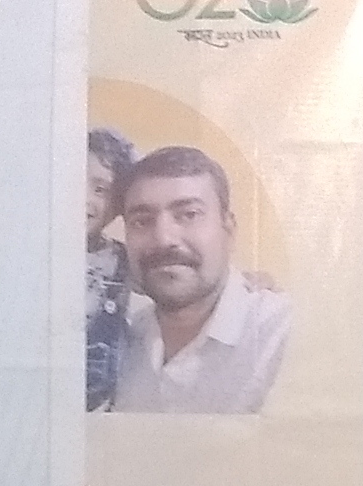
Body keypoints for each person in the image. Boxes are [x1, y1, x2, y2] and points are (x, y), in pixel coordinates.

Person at [114, 144, 293, 414]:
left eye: (189, 215)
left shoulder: (283, 335)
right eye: (142, 221)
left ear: (228, 230)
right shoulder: (117, 341)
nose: (163, 239)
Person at [82, 126, 135, 412]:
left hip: (94, 410)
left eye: (100, 190)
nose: (83, 197)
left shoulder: (122, 260)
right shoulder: (24, 249)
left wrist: (244, 281)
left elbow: (172, 278)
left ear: (117, 208)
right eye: (73, 178)